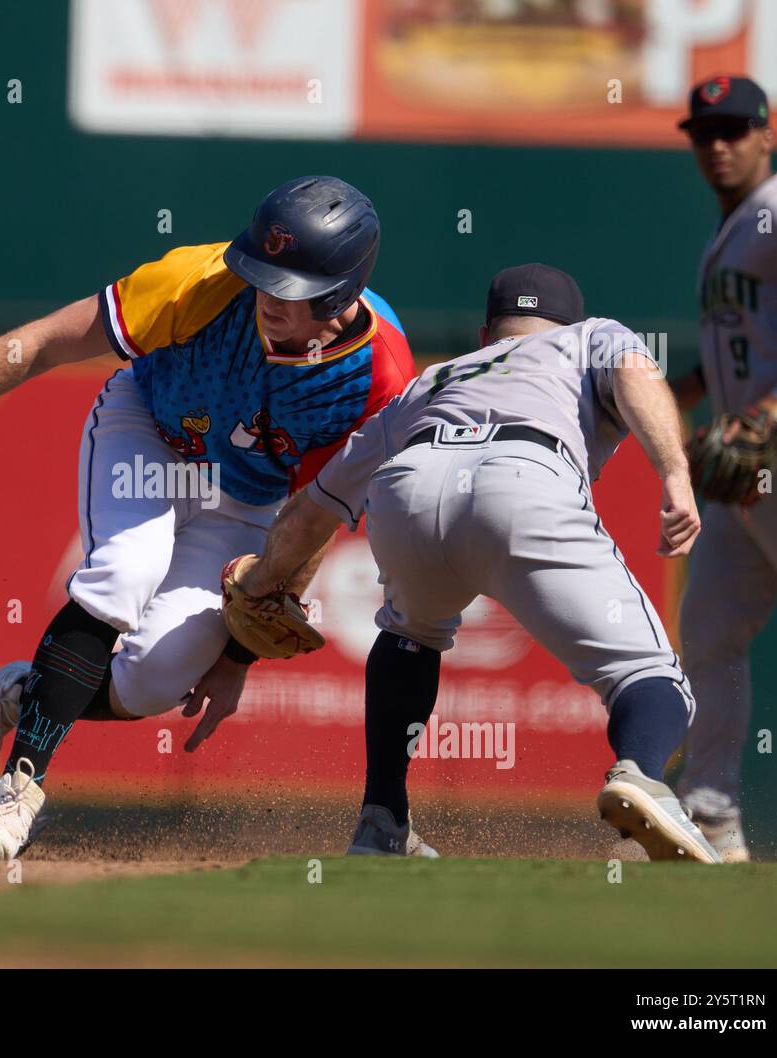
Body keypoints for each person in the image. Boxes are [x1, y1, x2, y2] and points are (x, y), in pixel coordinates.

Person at [0, 176, 417, 859]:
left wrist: (240, 651)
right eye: (259, 274)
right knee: (126, 571)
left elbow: (313, 517)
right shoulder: (197, 283)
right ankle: (18, 792)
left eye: (288, 287)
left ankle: (20, 693)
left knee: (153, 681)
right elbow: (40, 344)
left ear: (337, 293)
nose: (266, 297)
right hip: (150, 433)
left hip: (248, 499)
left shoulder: (377, 379)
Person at [210, 263, 722, 863]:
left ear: (487, 336)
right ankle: (640, 774)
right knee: (648, 674)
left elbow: (315, 508)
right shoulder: (592, 336)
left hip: (410, 486)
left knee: (408, 632)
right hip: (524, 480)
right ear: (568, 322)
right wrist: (676, 473)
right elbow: (635, 372)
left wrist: (263, 582)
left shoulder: (431, 382)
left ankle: (382, 819)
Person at [667, 76, 777, 862]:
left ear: (767, 135)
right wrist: (673, 394)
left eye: (733, 129)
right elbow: (746, 349)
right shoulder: (732, 230)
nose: (717, 145)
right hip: (745, 464)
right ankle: (711, 815)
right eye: (704, 132)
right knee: (712, 631)